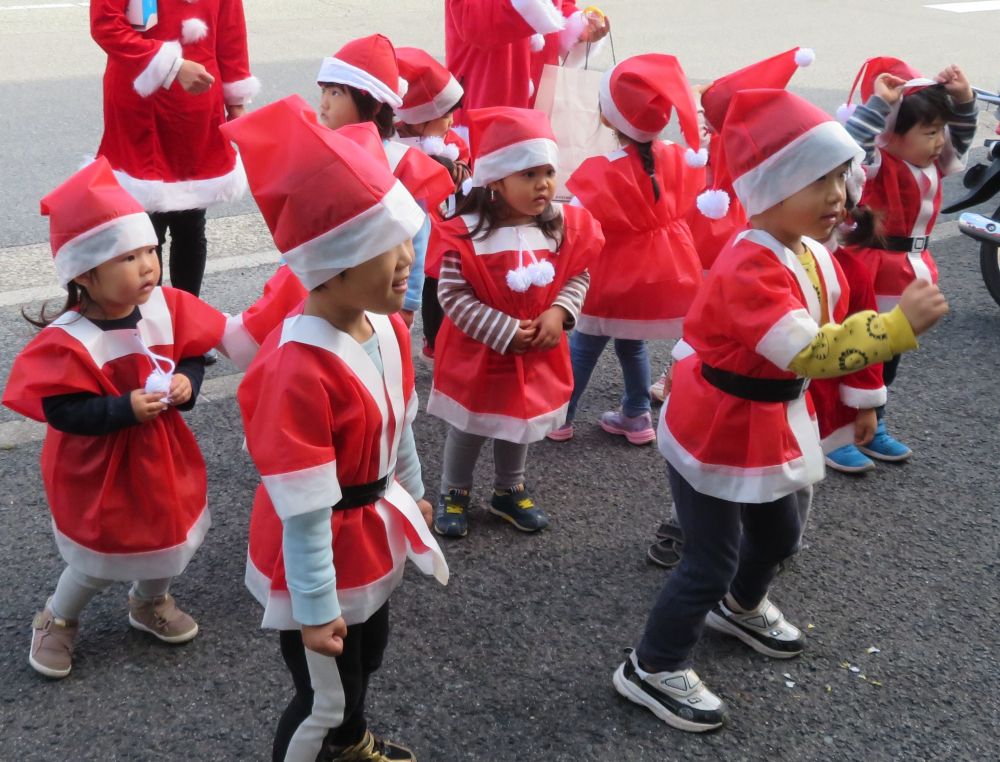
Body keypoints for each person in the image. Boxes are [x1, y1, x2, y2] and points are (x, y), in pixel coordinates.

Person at [613, 89, 949, 732]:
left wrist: (861, 401)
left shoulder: (811, 252)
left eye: (839, 179)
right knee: (708, 558)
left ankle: (740, 605)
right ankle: (651, 665)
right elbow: (812, 350)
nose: (839, 197)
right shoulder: (748, 267)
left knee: (780, 535)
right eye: (817, 182)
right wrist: (898, 327)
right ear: (766, 190)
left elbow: (844, 320)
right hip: (719, 427)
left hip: (771, 422)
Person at [223, 97, 449, 762]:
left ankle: (351, 745)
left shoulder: (388, 327)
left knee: (366, 660)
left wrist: (411, 492)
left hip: (369, 532)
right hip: (315, 557)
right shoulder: (298, 369)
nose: (410, 259)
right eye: (389, 246)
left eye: (408, 237)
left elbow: (399, 422)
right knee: (323, 698)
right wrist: (316, 606)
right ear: (335, 263)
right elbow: (302, 506)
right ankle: (338, 738)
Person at [3, 159, 227, 679]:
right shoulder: (70, 338)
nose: (149, 265)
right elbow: (61, 410)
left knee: (167, 536)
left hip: (160, 454)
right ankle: (57, 619)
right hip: (99, 466)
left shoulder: (166, 308)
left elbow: (193, 350)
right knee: (95, 556)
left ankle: (149, 600)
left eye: (151, 249)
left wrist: (187, 380)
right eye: (129, 256)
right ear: (86, 273)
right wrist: (122, 409)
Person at [427, 107, 603, 538]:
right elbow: (452, 294)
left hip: (537, 347)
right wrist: (502, 330)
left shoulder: (562, 227)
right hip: (479, 351)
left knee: (518, 422)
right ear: (496, 181)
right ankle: (455, 491)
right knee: (470, 425)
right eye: (527, 174)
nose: (543, 183)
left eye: (547, 171)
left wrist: (559, 312)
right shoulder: (467, 232)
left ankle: (509, 488)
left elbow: (578, 273)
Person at [546, 54, 706, 446]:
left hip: (612, 278)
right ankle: (636, 415)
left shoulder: (602, 170)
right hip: (660, 271)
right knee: (632, 343)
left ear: (605, 117)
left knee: (583, 345)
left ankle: (561, 416)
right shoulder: (677, 156)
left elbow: (577, 225)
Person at [89, 0, 258, 364]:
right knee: (144, 233)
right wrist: (173, 65)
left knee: (190, 226)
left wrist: (237, 102)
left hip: (197, 110)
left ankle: (186, 327)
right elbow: (106, 25)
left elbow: (230, 35)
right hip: (139, 106)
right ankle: (146, 330)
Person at [837, 57, 977, 463]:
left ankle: (873, 422)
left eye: (941, 131)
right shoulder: (878, 165)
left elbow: (962, 143)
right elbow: (851, 150)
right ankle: (838, 432)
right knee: (855, 349)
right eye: (930, 132)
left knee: (889, 352)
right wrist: (879, 106)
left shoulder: (931, 163)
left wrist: (964, 99)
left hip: (910, 268)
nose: (939, 142)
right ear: (890, 134)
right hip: (872, 266)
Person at [394, 46, 472, 357]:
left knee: (436, 288)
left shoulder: (451, 144)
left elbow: (465, 175)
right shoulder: (397, 144)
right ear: (420, 117)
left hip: (440, 233)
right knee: (409, 288)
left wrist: (453, 170)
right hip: (407, 234)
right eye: (445, 115)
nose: (452, 122)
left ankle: (436, 344)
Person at [445, 0, 608, 125]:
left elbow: (559, 5)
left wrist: (579, 26)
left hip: (540, 95)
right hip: (489, 92)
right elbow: (474, 21)